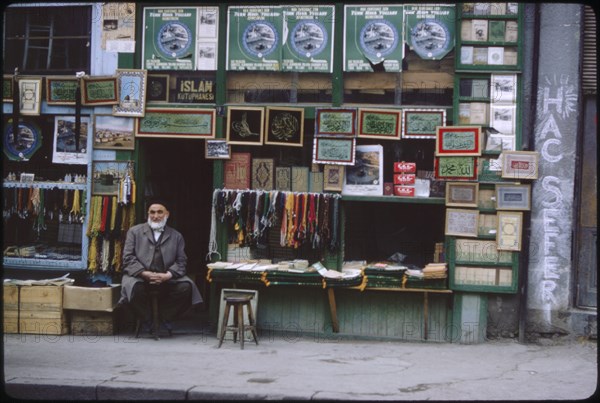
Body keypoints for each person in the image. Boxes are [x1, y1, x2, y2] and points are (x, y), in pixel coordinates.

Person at [119, 199, 203, 332]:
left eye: (159, 212)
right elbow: (127, 258)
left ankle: (164, 317)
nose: (155, 216)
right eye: (152, 212)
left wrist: (167, 275)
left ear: (167, 214)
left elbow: (181, 261)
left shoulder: (176, 236)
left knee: (186, 287)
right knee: (133, 288)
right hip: (140, 276)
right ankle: (148, 320)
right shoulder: (134, 232)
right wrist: (144, 273)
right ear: (148, 214)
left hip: (167, 277)